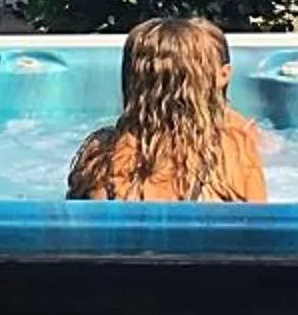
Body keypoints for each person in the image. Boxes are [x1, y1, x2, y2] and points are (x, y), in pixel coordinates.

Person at [67, 16, 269, 203]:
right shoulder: (233, 150)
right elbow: (262, 232)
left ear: (131, 79)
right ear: (202, 81)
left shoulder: (100, 155)